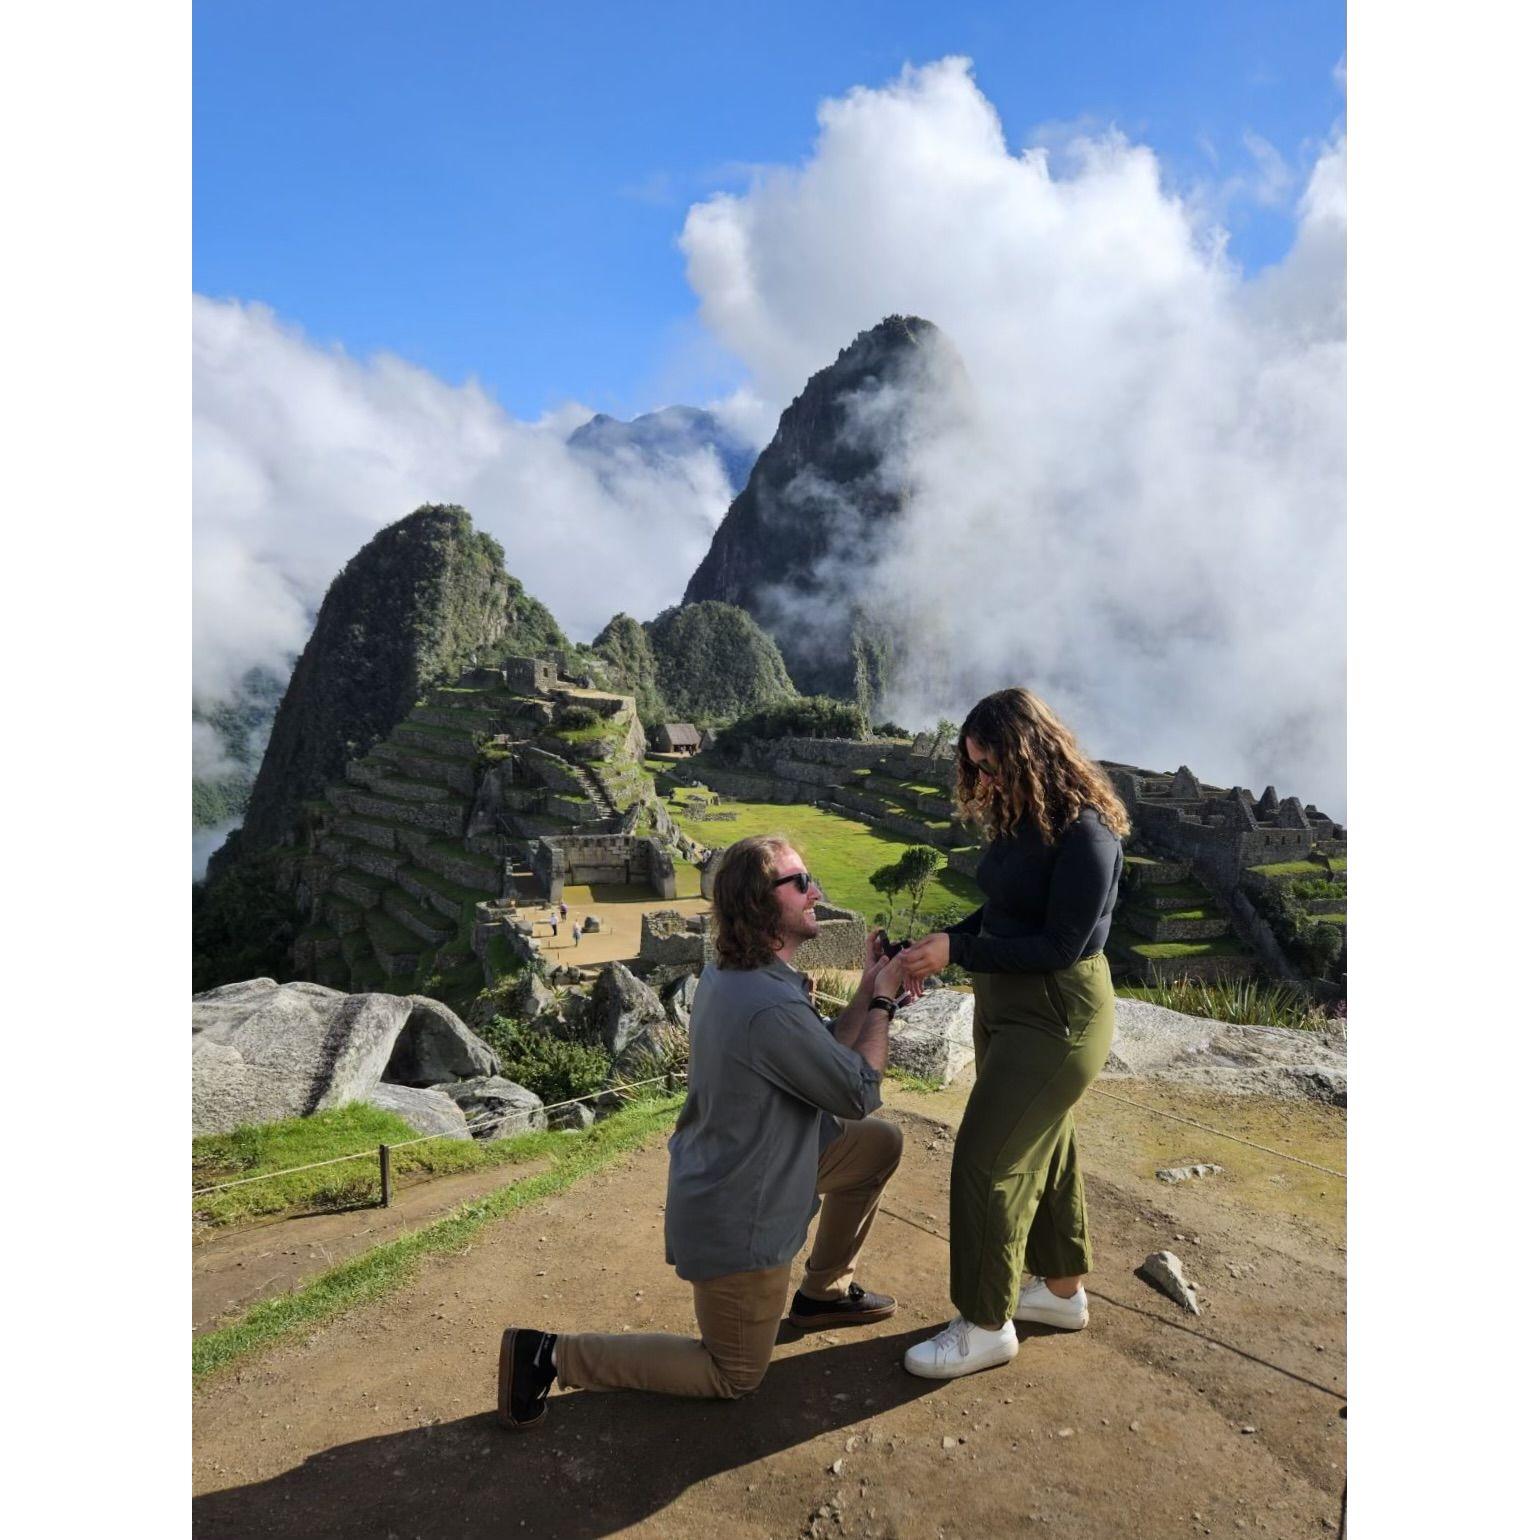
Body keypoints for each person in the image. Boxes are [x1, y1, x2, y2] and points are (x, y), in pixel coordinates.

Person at [498, 835, 910, 1429]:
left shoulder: (744, 974)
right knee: (733, 1374)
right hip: (741, 1209)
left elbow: (828, 1056)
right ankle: (549, 1355)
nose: (816, 891)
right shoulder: (767, 1004)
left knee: (877, 1146)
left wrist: (869, 986)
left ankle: (824, 1293)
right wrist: (885, 1005)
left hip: (771, 1157)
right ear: (759, 902)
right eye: (800, 882)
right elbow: (859, 1090)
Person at [897, 687, 1128, 1380]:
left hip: (1058, 1017)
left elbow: (1060, 946)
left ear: (1031, 754)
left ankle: (984, 1324)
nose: (985, 779)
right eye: (974, 767)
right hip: (1005, 1005)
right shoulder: (1023, 819)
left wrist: (961, 951)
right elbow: (1001, 911)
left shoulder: (1087, 836)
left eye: (992, 765)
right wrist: (938, 943)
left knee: (985, 1159)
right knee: (1046, 1148)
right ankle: (1060, 1292)